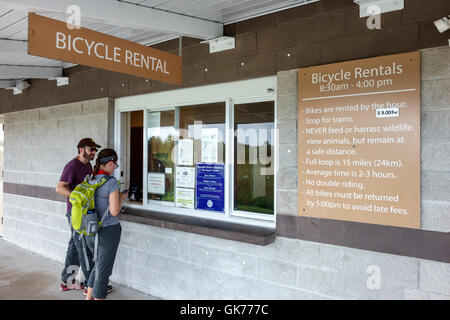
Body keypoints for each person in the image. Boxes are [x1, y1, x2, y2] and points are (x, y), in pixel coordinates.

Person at [56, 138, 100, 292]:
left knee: (75, 245)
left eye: (95, 150)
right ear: (81, 150)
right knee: (79, 246)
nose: (94, 152)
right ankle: (87, 284)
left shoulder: (87, 165)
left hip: (85, 213)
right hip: (75, 213)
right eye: (91, 149)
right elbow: (60, 188)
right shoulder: (72, 166)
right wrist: (76, 199)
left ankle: (67, 282)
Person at [84, 148, 127, 300]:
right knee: (103, 272)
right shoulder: (111, 182)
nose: (115, 168)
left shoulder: (90, 178)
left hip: (90, 229)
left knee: (97, 266)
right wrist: (121, 197)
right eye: (115, 165)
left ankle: (88, 297)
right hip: (107, 232)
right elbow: (114, 211)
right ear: (110, 163)